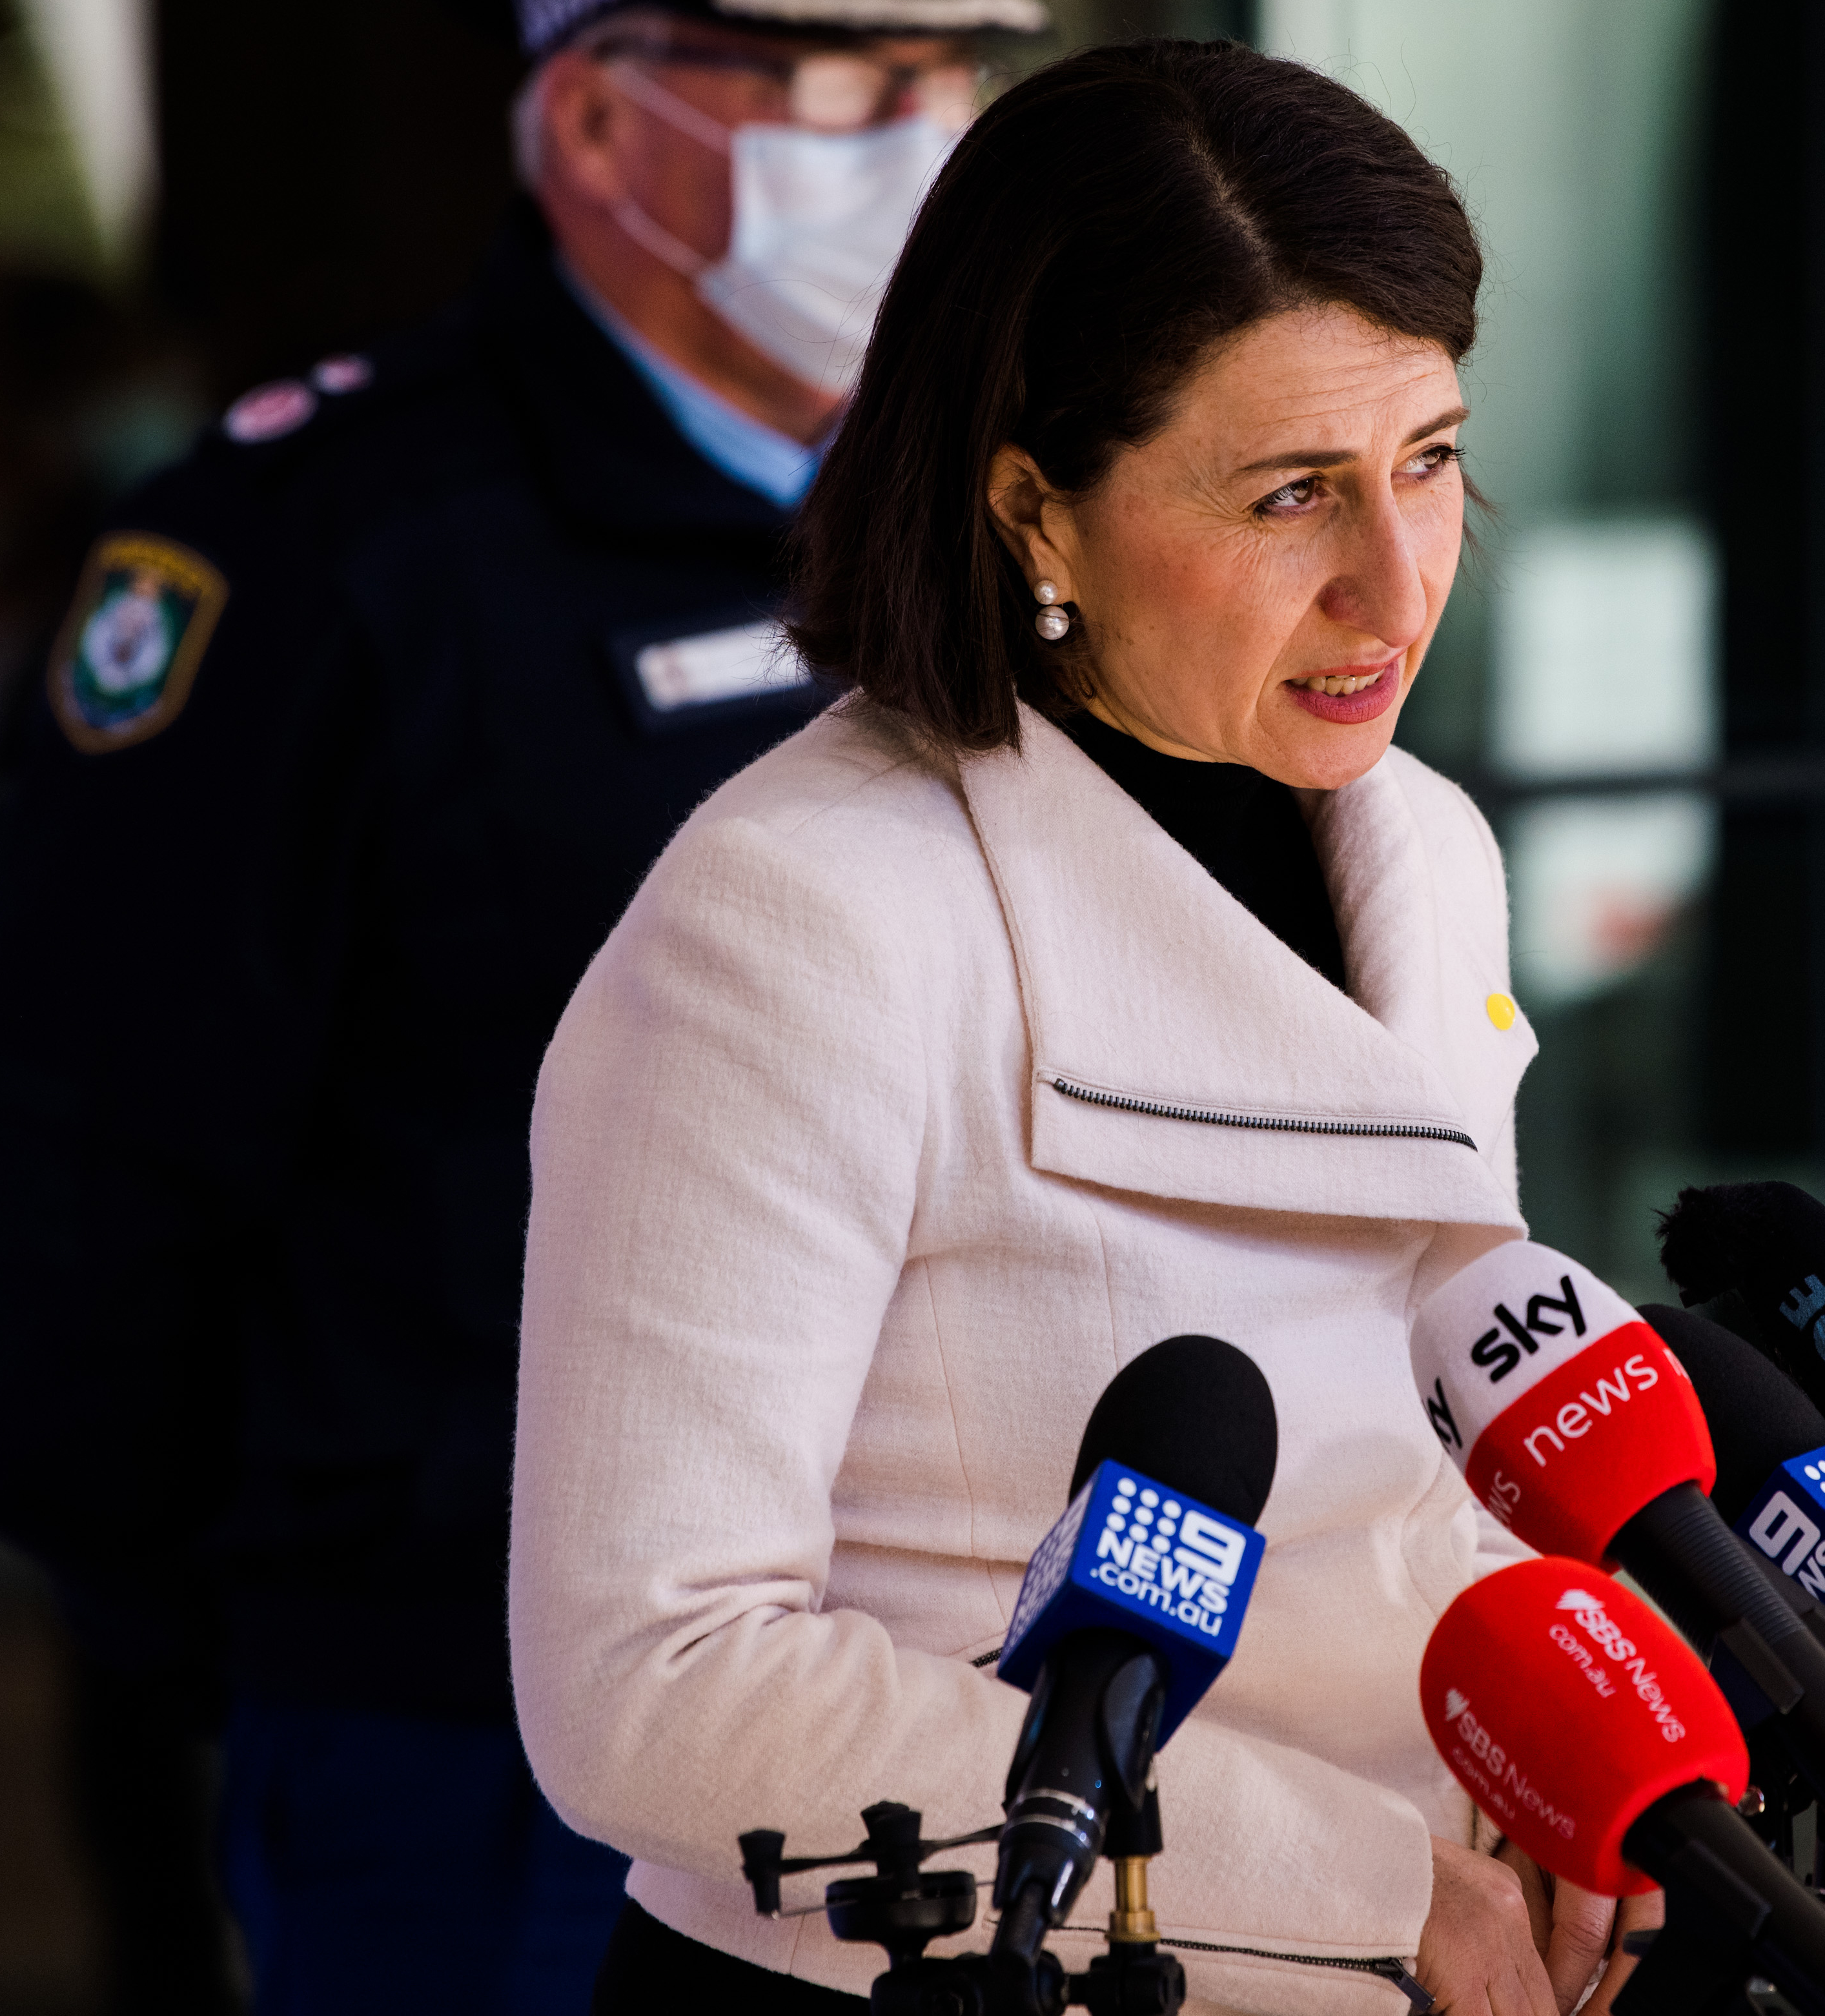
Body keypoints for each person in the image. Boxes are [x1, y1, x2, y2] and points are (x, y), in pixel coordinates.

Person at [0, 3, 1040, 2011]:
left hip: (937, 1700)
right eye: (855, 78)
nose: (931, 134)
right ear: (604, 120)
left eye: (968, 68)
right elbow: (60, 1191)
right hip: (473, 1751)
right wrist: (278, 1612)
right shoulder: (322, 548)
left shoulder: (1013, 505)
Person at [512, 41, 1660, 2016]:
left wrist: (1579, 1767)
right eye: (1289, 493)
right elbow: (651, 1682)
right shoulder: (803, 909)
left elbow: (1428, 1452)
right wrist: (1357, 1881)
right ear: (1031, 506)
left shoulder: (1423, 847)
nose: (1394, 582)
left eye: (1431, 458)